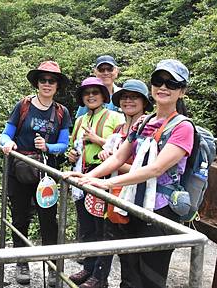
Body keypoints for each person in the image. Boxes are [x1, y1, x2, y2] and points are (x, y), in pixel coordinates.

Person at [65, 59, 194, 288]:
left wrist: (109, 183)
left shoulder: (183, 127)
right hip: (132, 204)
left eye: (172, 83)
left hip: (160, 211)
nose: (163, 87)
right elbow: (118, 157)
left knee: (151, 276)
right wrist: (88, 177)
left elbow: (155, 169)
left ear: (181, 91)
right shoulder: (143, 122)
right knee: (129, 272)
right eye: (158, 81)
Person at [74, 79, 153, 288]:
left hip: (133, 193)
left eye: (134, 97)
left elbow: (144, 167)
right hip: (110, 186)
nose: (128, 101)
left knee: (124, 247)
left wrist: (110, 163)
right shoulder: (121, 127)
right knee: (101, 231)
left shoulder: (147, 127)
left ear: (144, 102)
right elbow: (116, 158)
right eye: (125, 97)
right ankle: (96, 274)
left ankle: (100, 278)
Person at [0, 60, 72, 286]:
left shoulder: (61, 112)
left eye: (52, 81)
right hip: (19, 170)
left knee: (48, 221)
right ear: (37, 83)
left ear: (57, 85)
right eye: (43, 80)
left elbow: (64, 144)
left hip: (46, 172)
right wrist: (8, 143)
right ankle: (22, 262)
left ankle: (52, 266)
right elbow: (6, 133)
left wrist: (48, 147)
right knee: (20, 217)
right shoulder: (22, 106)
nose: (47, 84)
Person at [67, 77, 124, 286]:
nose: (91, 96)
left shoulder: (115, 117)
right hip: (81, 176)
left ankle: (100, 277)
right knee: (87, 227)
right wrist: (71, 155)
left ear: (103, 96)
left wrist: (97, 140)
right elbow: (74, 145)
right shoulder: (81, 120)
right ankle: (88, 268)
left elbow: (122, 149)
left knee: (103, 229)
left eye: (95, 92)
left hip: (103, 177)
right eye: (87, 93)